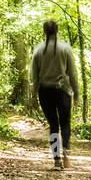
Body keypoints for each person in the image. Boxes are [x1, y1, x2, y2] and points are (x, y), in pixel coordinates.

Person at [30, 19, 79, 169]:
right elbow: (72, 73)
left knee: (53, 125)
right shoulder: (65, 48)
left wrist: (33, 96)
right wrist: (76, 92)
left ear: (44, 31)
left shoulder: (38, 50)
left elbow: (34, 77)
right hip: (63, 91)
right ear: (57, 30)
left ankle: (56, 159)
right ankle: (66, 155)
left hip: (45, 92)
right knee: (65, 123)